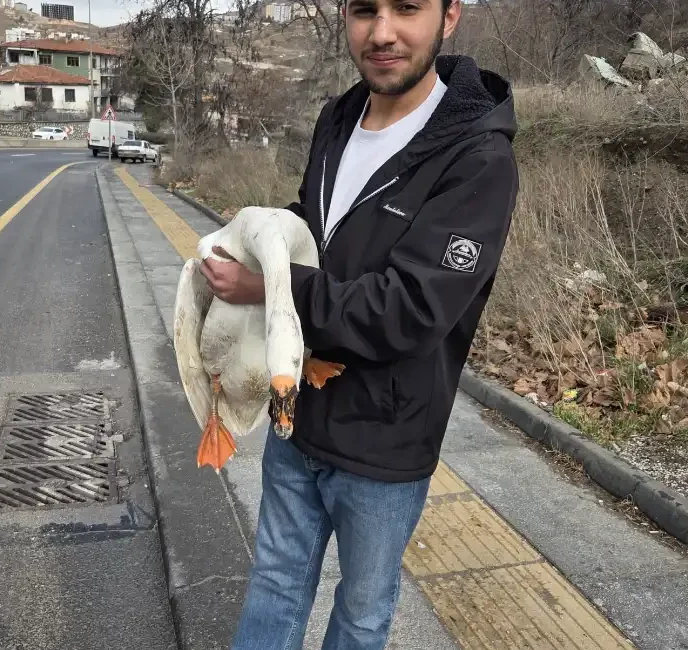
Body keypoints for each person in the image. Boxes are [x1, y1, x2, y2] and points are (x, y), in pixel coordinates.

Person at [199, 0, 518, 645]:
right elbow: (320, 234)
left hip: (385, 439)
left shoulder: (477, 158)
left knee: (362, 612)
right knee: (276, 583)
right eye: (365, 10)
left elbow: (411, 309)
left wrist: (271, 288)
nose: (382, 33)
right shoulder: (341, 117)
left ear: (449, 17)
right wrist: (260, 235)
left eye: (407, 8)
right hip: (298, 410)